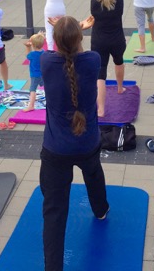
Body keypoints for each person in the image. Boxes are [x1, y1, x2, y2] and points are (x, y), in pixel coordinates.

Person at [40, 16, 108, 271]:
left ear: (56, 41)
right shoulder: (93, 60)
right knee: (93, 173)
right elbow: (75, 49)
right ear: (80, 39)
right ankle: (100, 209)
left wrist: (69, 30)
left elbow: (59, 49)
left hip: (56, 150)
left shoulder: (46, 62)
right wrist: (76, 29)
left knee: (54, 212)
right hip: (88, 143)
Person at [90, 0, 125, 117]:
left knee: (101, 74)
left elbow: (94, 15)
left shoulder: (94, 1)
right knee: (119, 62)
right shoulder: (119, 0)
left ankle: (101, 109)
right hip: (117, 39)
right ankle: (120, 88)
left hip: (99, 41)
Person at [23, 31, 45, 112]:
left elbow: (27, 56)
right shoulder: (44, 52)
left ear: (32, 44)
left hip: (35, 75)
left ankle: (31, 105)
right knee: (46, 87)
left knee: (33, 89)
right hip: (43, 74)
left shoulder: (32, 54)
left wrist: (27, 47)